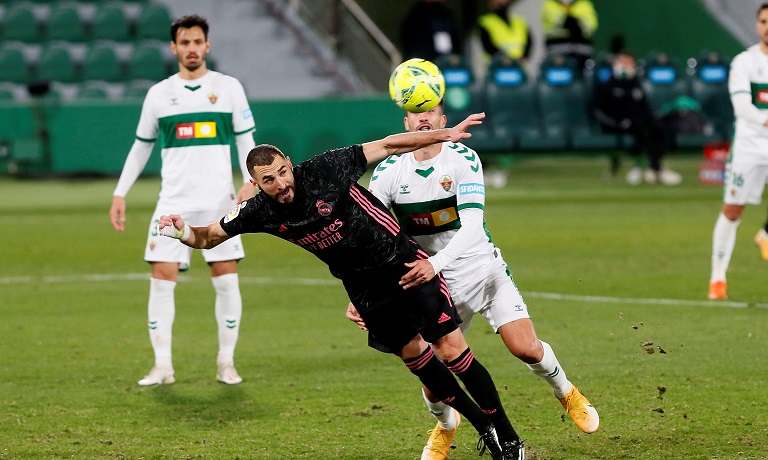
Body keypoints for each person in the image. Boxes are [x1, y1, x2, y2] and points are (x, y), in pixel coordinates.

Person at [156, 113, 525, 460]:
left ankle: (508, 436)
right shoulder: (259, 211)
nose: (281, 183)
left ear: (289, 161)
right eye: (269, 180)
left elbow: (390, 145)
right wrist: (179, 230)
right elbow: (208, 236)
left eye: (283, 172)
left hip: (404, 264)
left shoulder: (325, 169)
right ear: (256, 184)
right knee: (416, 357)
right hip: (364, 289)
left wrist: (443, 134)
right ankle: (482, 425)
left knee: (451, 348)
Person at [347, 101, 598, 460]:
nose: (423, 118)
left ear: (442, 120)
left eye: (430, 111)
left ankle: (565, 391)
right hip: (432, 283)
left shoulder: (462, 159)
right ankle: (447, 427)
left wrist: (436, 262)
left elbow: (472, 227)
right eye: (415, 112)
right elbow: (375, 238)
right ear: (405, 122)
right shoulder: (388, 172)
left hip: (479, 267)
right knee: (434, 382)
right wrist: (362, 292)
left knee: (524, 347)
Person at [109, 14, 257, 386]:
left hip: (219, 202)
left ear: (207, 46)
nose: (191, 48)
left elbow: (245, 142)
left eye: (197, 42)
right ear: (174, 48)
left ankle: (226, 362)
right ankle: (163, 366)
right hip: (172, 202)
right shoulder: (159, 94)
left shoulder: (229, 88)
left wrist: (251, 180)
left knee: (225, 279)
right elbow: (141, 147)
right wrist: (120, 192)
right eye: (184, 43)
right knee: (161, 278)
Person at [709, 3, 768, 300]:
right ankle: (718, 279)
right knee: (733, 211)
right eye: (763, 21)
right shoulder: (744, 62)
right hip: (749, 145)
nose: (767, 26)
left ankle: (766, 234)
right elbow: (743, 107)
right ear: (757, 25)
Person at [592, 52, 682, 186]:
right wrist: (615, 123)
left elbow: (644, 108)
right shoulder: (606, 84)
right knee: (644, 131)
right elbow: (598, 110)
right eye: (623, 62)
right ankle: (653, 169)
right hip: (616, 125)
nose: (626, 66)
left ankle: (651, 168)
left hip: (638, 122)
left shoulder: (636, 84)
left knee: (659, 129)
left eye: (629, 63)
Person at [541, 0, 598, 70]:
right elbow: (553, 21)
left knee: (588, 71)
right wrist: (572, 22)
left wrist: (574, 22)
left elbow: (590, 25)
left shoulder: (584, 3)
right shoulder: (550, 4)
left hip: (581, 50)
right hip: (557, 49)